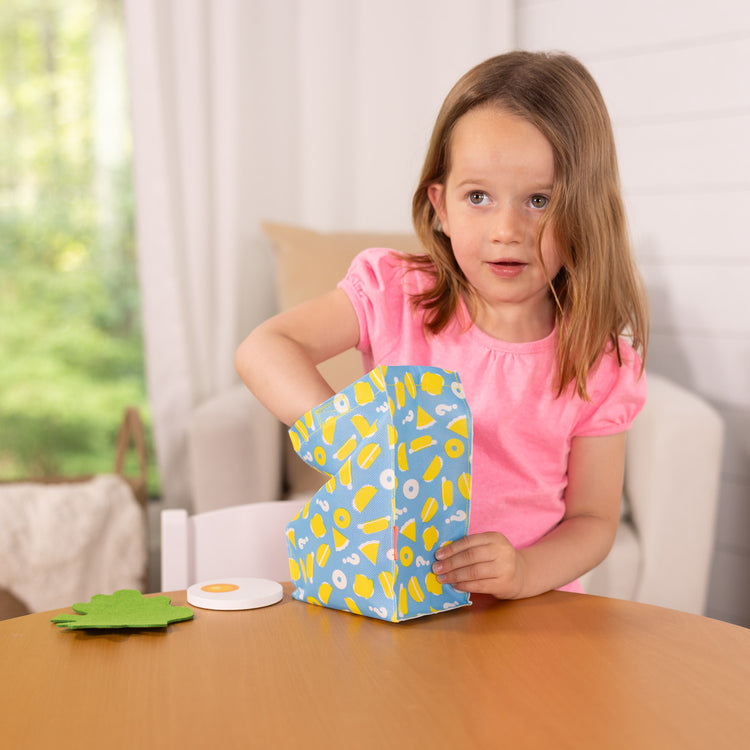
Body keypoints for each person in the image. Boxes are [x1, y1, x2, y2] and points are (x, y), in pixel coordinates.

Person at [235, 50, 649, 600]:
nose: (506, 229)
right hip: (388, 601)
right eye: (478, 197)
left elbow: (594, 521)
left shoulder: (599, 356)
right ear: (441, 206)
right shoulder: (396, 293)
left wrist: (523, 572)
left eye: (539, 200)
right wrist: (349, 439)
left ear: (586, 211)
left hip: (529, 624)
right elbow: (265, 347)